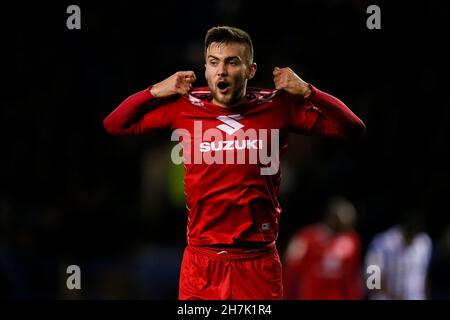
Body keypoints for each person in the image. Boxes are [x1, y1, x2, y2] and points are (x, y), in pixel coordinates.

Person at [103, 26, 366, 300]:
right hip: (201, 263)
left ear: (251, 70)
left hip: (257, 263)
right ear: (205, 69)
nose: (222, 71)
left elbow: (351, 127)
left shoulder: (278, 107)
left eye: (232, 62)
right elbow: (115, 124)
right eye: (214, 63)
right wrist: (156, 90)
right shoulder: (184, 106)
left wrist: (309, 91)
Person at [283, 196, 363, 300]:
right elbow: (291, 270)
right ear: (332, 218)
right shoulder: (306, 237)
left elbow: (353, 276)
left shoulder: (351, 241)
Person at [364, 211, 432, 300]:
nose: (411, 239)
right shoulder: (380, 243)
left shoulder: (424, 242)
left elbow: (424, 276)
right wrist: (393, 295)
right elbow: (371, 282)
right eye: (409, 233)